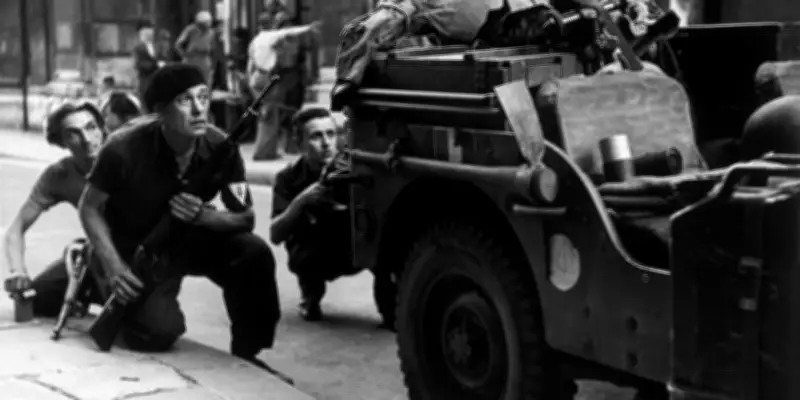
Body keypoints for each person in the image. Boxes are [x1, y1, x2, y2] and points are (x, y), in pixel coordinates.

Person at [78, 64, 283, 374]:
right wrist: (114, 266)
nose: (200, 109)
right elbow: (89, 207)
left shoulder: (220, 147)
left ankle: (246, 352)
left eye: (203, 97)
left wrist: (205, 217)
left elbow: (245, 217)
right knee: (157, 333)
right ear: (160, 110)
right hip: (135, 247)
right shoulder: (123, 148)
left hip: (188, 239)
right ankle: (94, 282)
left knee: (252, 253)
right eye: (185, 101)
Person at [2, 101, 109, 316]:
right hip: (94, 256)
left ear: (101, 129)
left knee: (150, 330)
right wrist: (18, 272)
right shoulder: (60, 175)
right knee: (37, 300)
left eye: (91, 128)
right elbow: (15, 229)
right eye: (73, 134)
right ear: (61, 142)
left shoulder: (124, 159)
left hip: (133, 256)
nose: (87, 140)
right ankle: (84, 295)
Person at [269, 106, 358, 322]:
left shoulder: (354, 169)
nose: (327, 143)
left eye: (331, 134)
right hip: (315, 251)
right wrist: (301, 201)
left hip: (354, 246)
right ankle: (311, 295)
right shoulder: (288, 178)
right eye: (316, 136)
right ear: (299, 143)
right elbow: (275, 234)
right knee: (302, 250)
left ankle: (388, 302)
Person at [247, 12, 320, 160]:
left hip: (279, 78)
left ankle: (279, 148)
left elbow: (301, 58)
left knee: (280, 114)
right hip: (274, 79)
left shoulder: (260, 40)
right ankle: (264, 151)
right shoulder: (273, 39)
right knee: (271, 115)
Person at [175, 11, 216, 87]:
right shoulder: (190, 30)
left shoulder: (212, 33)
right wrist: (184, 55)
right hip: (191, 60)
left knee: (205, 84)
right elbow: (178, 44)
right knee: (189, 84)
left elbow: (214, 49)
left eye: (208, 23)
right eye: (202, 25)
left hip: (204, 61)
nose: (205, 27)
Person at [132, 20, 162, 100]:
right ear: (141, 35)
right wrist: (155, 65)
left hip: (157, 81)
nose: (150, 35)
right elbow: (138, 64)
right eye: (147, 34)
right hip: (145, 81)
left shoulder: (157, 46)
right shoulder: (138, 48)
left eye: (151, 33)